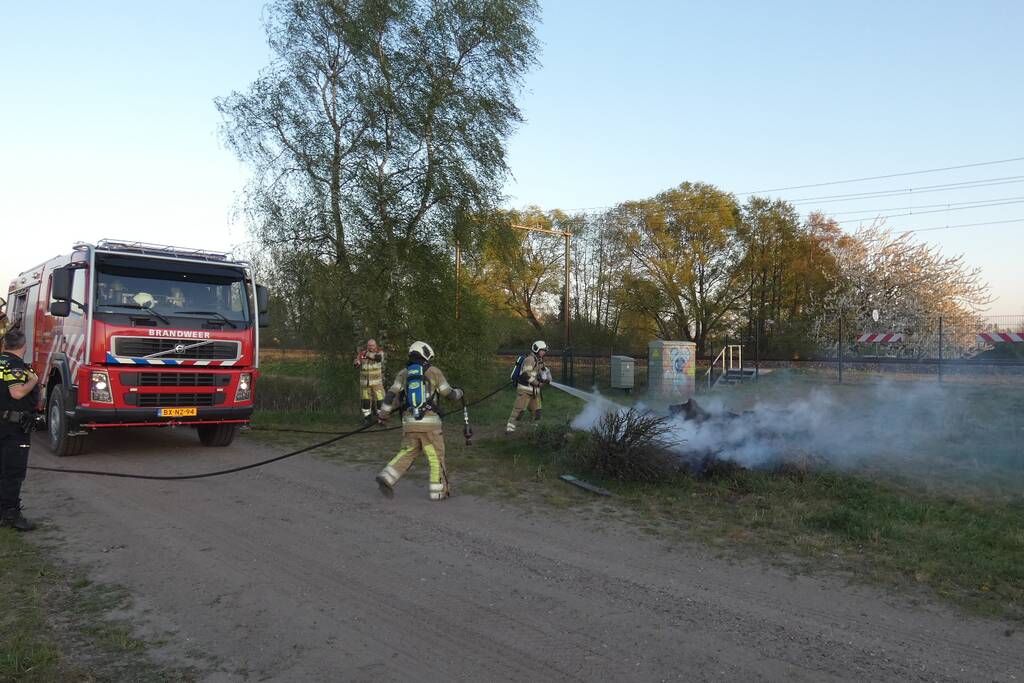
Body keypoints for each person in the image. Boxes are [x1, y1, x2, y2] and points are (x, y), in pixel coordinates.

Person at [374, 341, 463, 501]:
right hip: (430, 425)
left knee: (408, 452)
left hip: (409, 423)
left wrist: (383, 416)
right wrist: (460, 393)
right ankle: (438, 492)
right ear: (426, 355)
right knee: (435, 457)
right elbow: (449, 394)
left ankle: (387, 476)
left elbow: (390, 397)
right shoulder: (434, 372)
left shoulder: (403, 373)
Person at [0, 328, 40, 531]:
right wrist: (33, 381)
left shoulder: (1, 363)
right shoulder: (15, 366)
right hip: (13, 427)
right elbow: (16, 393)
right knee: (13, 472)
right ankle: (10, 515)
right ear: (24, 347)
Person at [506, 340, 551, 434]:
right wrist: (537, 383)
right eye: (543, 350)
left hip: (535, 392)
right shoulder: (529, 359)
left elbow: (545, 372)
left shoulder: (539, 361)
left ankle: (535, 430)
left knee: (537, 411)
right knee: (519, 410)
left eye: (545, 350)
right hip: (525, 390)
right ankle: (510, 430)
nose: (544, 352)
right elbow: (525, 375)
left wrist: (547, 379)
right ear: (537, 349)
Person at [353, 338, 385, 425]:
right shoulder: (362, 353)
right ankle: (367, 419)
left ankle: (381, 419)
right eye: (369, 345)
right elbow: (357, 363)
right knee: (365, 401)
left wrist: (366, 354)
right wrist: (356, 363)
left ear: (375, 345)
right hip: (364, 383)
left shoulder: (379, 352)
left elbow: (378, 358)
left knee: (380, 401)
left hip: (377, 383)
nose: (370, 347)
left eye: (372, 345)